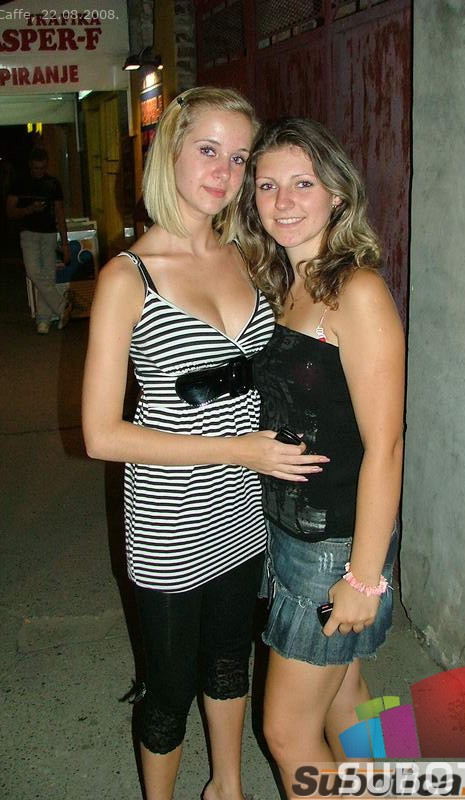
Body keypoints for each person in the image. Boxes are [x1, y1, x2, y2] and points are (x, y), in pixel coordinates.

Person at [81, 89, 327, 800]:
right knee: (168, 686)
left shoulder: (249, 256)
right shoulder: (128, 277)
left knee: (228, 661)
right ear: (171, 151)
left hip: (244, 512)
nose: (224, 171)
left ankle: (228, 788)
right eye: (208, 150)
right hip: (169, 519)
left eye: (240, 157)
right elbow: (100, 434)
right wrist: (237, 450)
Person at [237, 117, 406, 796]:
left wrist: (364, 577)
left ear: (337, 193)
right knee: (346, 700)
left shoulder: (356, 292)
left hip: (335, 543)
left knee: (285, 732)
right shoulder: (284, 283)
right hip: (289, 528)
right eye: (267, 185)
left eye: (302, 183)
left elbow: (386, 445)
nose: (282, 201)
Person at [6, 148, 72, 334]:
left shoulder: (53, 183)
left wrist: (65, 243)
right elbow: (10, 211)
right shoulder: (20, 183)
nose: (40, 172)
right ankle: (62, 306)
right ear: (30, 166)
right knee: (34, 272)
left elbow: (59, 213)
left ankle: (43, 320)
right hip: (28, 233)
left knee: (47, 276)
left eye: (43, 168)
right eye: (36, 168)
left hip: (49, 233)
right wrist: (30, 209)